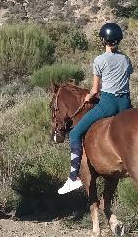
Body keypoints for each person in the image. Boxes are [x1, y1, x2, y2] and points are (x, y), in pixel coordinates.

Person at [57, 22, 133, 194]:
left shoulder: (99, 60)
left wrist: (88, 97)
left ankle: (73, 177)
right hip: (126, 104)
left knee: (75, 133)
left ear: (103, 40)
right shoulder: (126, 59)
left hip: (108, 103)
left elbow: (95, 90)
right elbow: (127, 76)